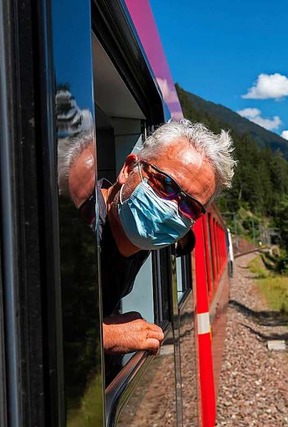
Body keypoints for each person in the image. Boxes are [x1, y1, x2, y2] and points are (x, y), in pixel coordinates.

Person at [95, 120, 235, 356]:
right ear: (128, 169)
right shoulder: (71, 224)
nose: (170, 209)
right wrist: (102, 336)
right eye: (165, 184)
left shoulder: (147, 237)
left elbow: (184, 243)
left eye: (190, 206)